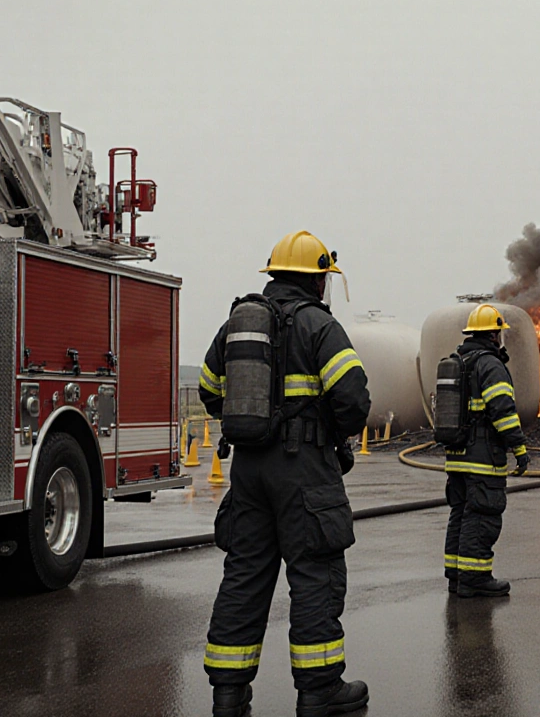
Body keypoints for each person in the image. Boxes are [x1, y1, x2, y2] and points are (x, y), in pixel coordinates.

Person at [199, 231, 372, 717]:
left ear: (274, 274)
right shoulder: (320, 325)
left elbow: (209, 389)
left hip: (249, 470)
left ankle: (228, 693)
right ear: (317, 279)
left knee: (245, 574)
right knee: (315, 574)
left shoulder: (238, 324)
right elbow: (354, 400)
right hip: (305, 471)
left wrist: (253, 422)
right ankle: (320, 690)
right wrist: (327, 432)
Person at [443, 304, 532, 598]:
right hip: (482, 458)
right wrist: (519, 448)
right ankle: (475, 579)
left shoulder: (460, 361)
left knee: (461, 514)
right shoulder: (490, 365)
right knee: (483, 516)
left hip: (456, 457)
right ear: (494, 335)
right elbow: (503, 412)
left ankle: (457, 577)